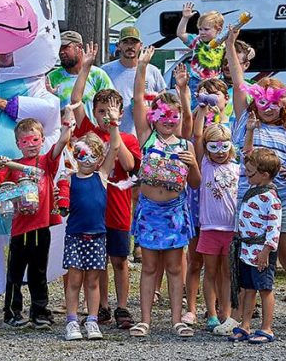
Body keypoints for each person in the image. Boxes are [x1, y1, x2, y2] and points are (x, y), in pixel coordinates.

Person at [226, 26, 286, 338]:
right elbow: (239, 83)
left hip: (281, 200)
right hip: (247, 201)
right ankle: (239, 318)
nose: (268, 106)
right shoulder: (244, 120)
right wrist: (228, 42)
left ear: (282, 103)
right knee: (246, 257)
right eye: (262, 100)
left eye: (274, 101)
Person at [129, 47, 200, 338]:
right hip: (149, 210)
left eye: (174, 117)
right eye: (164, 116)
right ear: (154, 117)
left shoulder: (185, 146)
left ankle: (175, 320)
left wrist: (194, 163)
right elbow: (136, 100)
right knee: (148, 266)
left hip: (174, 212)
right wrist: (143, 67)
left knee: (174, 267)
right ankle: (144, 320)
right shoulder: (146, 139)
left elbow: (194, 183)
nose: (169, 121)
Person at [70, 43, 141, 328]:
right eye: (101, 111)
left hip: (118, 208)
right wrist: (85, 67)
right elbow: (75, 101)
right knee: (96, 262)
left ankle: (123, 306)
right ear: (95, 112)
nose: (105, 115)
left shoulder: (129, 138)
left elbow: (127, 164)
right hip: (92, 210)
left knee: (119, 260)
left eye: (111, 111)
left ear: (121, 113)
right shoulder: (87, 132)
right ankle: (100, 306)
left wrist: (114, 130)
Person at [0, 116, 71, 329]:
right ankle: (12, 313)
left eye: (35, 140)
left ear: (42, 140)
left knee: (38, 272)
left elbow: (61, 144)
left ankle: (39, 312)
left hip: (42, 227)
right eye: (25, 142)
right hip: (20, 230)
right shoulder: (14, 167)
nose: (31, 145)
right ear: (18, 144)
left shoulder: (46, 163)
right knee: (15, 272)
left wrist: (66, 127)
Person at [62, 132, 121, 341]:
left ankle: (93, 320)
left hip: (97, 236)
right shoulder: (69, 179)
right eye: (81, 154)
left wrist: (114, 124)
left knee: (93, 281)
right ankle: (71, 321)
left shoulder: (101, 176)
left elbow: (115, 146)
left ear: (99, 159)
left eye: (92, 155)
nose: (86, 160)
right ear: (75, 154)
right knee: (74, 280)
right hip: (75, 236)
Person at [230, 148, 282, 344]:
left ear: (264, 175)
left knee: (265, 288)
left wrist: (267, 250)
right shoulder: (252, 191)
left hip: (261, 251)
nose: (247, 176)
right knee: (248, 288)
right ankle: (245, 324)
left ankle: (266, 327)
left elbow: (274, 226)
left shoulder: (271, 197)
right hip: (246, 250)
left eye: (250, 173)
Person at [193, 116, 240, 335]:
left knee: (228, 274)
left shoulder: (237, 169)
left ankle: (227, 313)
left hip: (231, 229)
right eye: (214, 146)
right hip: (210, 228)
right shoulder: (204, 164)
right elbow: (197, 135)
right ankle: (211, 313)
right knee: (210, 272)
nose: (220, 151)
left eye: (224, 146)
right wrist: (202, 112)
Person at [100, 25, 166, 134]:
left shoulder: (152, 71)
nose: (130, 46)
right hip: (115, 133)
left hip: (146, 134)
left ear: (140, 46)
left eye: (134, 43)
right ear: (118, 46)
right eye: (126, 42)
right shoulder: (106, 70)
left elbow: (164, 103)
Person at [47, 30, 113, 120]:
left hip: (93, 133)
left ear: (79, 47)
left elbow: (112, 105)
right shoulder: (52, 78)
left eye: (66, 47)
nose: (61, 52)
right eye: (59, 48)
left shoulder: (97, 75)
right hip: (65, 132)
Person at [175, 2, 227, 96]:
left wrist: (249, 51)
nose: (202, 32)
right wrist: (185, 18)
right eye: (200, 29)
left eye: (206, 29)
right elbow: (180, 34)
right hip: (197, 80)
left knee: (214, 105)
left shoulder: (223, 45)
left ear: (218, 30)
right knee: (196, 105)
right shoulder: (197, 41)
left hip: (216, 81)